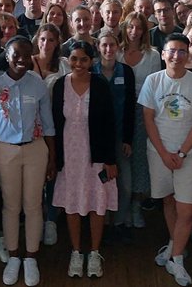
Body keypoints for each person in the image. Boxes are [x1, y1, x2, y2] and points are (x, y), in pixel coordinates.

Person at [0, 36, 56, 287]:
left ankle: (31, 257)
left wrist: (52, 159)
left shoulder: (38, 86)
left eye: (27, 54)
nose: (22, 60)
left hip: (36, 151)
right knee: (11, 206)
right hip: (6, 152)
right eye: (17, 55)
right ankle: (14, 255)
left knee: (34, 205)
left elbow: (48, 125)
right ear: (7, 54)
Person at [141, 34, 192, 287]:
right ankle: (174, 246)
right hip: (159, 152)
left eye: (182, 51)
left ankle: (177, 258)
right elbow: (148, 119)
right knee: (168, 201)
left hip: (188, 155)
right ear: (163, 54)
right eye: (172, 51)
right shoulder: (153, 81)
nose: (177, 56)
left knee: (187, 210)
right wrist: (163, 153)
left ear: (188, 54)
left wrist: (180, 153)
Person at [52, 41, 118, 278]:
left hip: (96, 156)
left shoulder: (100, 85)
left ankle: (94, 252)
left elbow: (110, 124)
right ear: (67, 60)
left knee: (96, 204)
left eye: (83, 60)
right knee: (72, 203)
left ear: (92, 61)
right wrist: (54, 159)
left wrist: (110, 160)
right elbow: (55, 125)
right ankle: (77, 252)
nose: (78, 64)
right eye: (74, 59)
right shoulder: (60, 85)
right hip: (69, 155)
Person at [119, 12, 163, 229]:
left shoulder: (153, 55)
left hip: (144, 111)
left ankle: (136, 206)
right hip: (120, 111)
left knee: (140, 160)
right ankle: (122, 207)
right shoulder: (116, 52)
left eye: (138, 28)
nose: (134, 32)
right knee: (122, 159)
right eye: (130, 27)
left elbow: (155, 89)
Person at [94, 33, 137, 242]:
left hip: (120, 138)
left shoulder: (126, 72)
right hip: (96, 140)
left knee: (125, 185)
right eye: (104, 45)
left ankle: (118, 223)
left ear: (117, 47)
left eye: (112, 45)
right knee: (100, 185)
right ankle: (100, 225)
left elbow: (130, 107)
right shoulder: (91, 72)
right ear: (98, 47)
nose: (108, 49)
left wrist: (128, 139)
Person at [33, 23, 70, 88]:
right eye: (42, 39)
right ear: (37, 41)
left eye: (51, 40)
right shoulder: (29, 62)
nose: (46, 44)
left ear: (56, 43)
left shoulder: (63, 64)